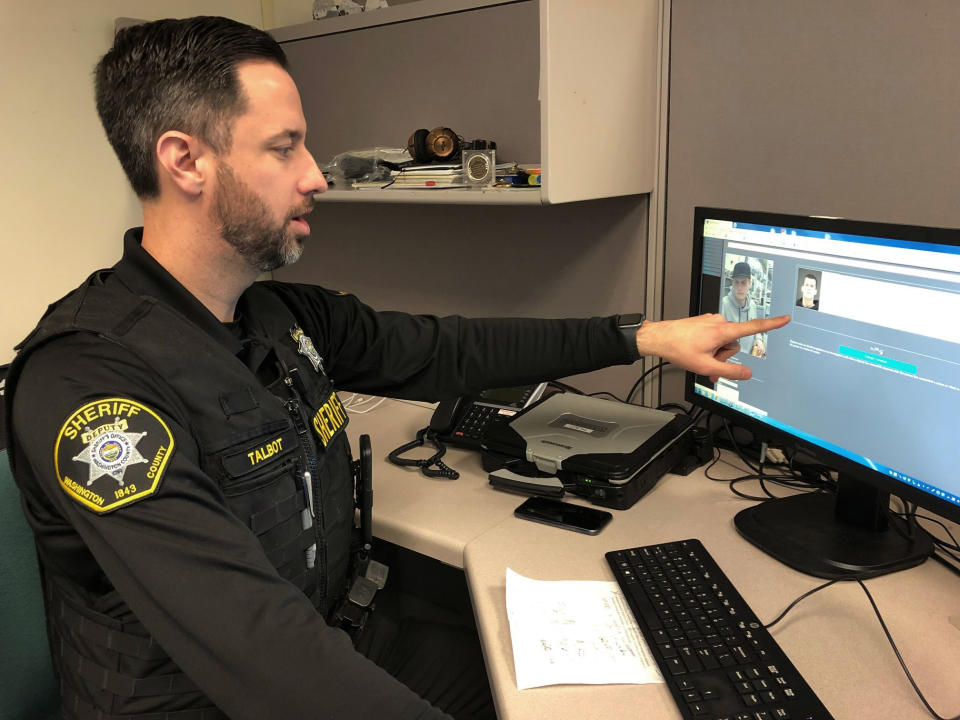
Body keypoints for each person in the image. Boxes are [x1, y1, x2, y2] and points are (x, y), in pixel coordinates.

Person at [2, 17, 790, 720]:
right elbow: (255, 647)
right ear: (185, 161)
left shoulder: (279, 317)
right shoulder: (90, 385)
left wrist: (643, 337)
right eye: (284, 147)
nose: (315, 174)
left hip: (338, 635)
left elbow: (448, 350)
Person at [720, 260, 768, 357]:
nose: (739, 287)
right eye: (736, 282)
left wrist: (758, 339)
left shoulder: (753, 306)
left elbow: (756, 329)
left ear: (749, 283)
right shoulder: (723, 305)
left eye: (743, 283)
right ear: (732, 283)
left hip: (747, 360)